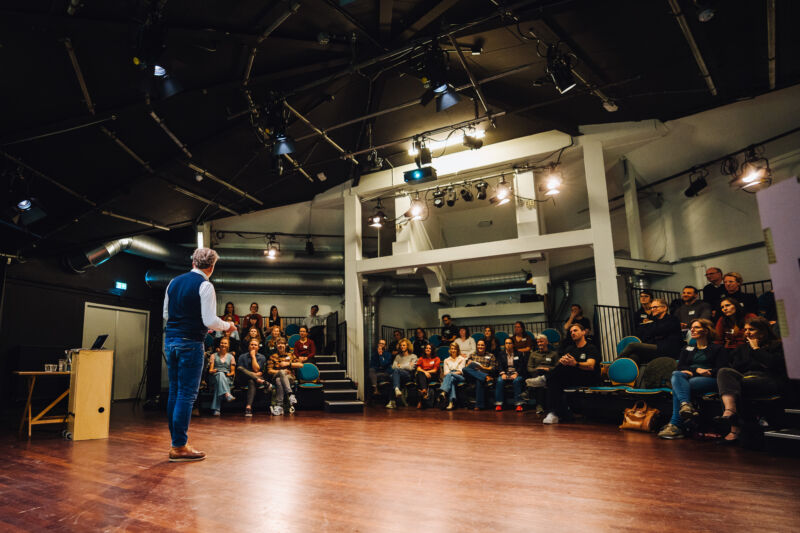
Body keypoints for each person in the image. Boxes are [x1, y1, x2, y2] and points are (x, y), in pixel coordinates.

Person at [162, 248, 236, 462]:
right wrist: (228, 326)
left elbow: (167, 314)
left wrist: (200, 324)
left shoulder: (173, 282)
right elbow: (210, 321)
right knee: (187, 394)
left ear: (193, 262)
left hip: (171, 342)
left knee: (175, 392)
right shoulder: (205, 285)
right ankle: (179, 446)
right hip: (190, 344)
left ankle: (177, 442)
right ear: (211, 267)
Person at [716, 316, 787, 444]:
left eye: (751, 329)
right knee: (724, 373)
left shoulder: (777, 345)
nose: (747, 332)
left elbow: (773, 364)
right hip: (746, 378)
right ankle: (729, 411)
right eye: (745, 329)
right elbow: (738, 367)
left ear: (763, 331)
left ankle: (734, 429)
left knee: (733, 387)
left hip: (768, 380)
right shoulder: (742, 348)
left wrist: (756, 349)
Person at [657, 319, 728, 439]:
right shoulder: (688, 348)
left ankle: (676, 423)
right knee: (677, 374)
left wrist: (708, 372)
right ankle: (685, 407)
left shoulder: (717, 349)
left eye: (696, 327)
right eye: (691, 328)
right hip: (690, 377)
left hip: (710, 379)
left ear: (705, 331)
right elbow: (681, 367)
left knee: (679, 386)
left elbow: (722, 369)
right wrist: (697, 371)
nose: (692, 330)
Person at [542, 323, 601, 424]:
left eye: (575, 330)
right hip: (573, 377)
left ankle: (544, 379)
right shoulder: (570, 349)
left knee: (555, 376)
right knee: (554, 382)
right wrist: (562, 361)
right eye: (571, 332)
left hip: (588, 377)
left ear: (583, 332)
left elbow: (591, 366)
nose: (572, 333)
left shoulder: (591, 348)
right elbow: (562, 364)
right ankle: (554, 414)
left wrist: (575, 363)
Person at [618, 298, 683, 364]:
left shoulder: (672, 319)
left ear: (664, 308)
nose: (652, 310)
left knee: (632, 345)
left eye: (655, 307)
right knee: (634, 356)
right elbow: (645, 335)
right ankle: (626, 372)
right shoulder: (654, 321)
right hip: (657, 347)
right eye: (651, 308)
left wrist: (650, 329)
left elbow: (659, 331)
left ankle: (613, 363)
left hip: (668, 349)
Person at [268, 337, 302, 415]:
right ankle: (290, 394)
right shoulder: (273, 356)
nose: (281, 345)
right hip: (276, 375)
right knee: (280, 374)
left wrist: (288, 364)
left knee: (279, 380)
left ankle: (279, 406)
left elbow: (300, 365)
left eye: (282, 344)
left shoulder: (291, 355)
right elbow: (269, 370)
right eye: (279, 344)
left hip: (289, 377)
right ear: (276, 345)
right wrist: (280, 372)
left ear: (286, 345)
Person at [526, 334, 559, 415]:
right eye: (538, 342)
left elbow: (558, 367)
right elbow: (529, 368)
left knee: (541, 378)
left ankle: (529, 392)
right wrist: (538, 369)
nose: (539, 343)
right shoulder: (533, 354)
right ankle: (541, 405)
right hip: (537, 374)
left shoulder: (554, 354)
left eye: (541, 341)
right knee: (539, 374)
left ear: (547, 342)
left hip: (550, 375)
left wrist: (548, 369)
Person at [236, 338, 269, 417]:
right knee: (240, 368)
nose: (253, 346)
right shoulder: (242, 356)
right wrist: (254, 375)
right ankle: (260, 380)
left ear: (258, 347)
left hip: (255, 381)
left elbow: (257, 369)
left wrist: (253, 356)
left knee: (251, 380)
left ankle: (248, 407)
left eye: (255, 345)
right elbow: (241, 370)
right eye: (251, 344)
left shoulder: (262, 357)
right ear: (248, 346)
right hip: (244, 379)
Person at [462, 339, 496, 410]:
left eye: (482, 345)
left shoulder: (490, 356)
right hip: (472, 376)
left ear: (485, 346)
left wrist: (483, 368)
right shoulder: (472, 355)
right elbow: (467, 367)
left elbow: (493, 368)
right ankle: (485, 377)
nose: (480, 346)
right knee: (465, 368)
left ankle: (478, 405)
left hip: (482, 374)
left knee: (479, 380)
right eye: (479, 345)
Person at [495, 337, 526, 411]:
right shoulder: (501, 354)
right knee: (499, 381)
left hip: (516, 374)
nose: (508, 345)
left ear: (513, 344)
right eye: (506, 343)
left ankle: (518, 404)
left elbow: (522, 366)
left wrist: (516, 373)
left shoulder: (519, 354)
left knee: (517, 381)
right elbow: (499, 366)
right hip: (505, 373)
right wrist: (502, 373)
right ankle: (499, 404)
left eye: (510, 343)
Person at [208, 337, 236, 416]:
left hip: (227, 377)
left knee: (219, 383)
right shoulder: (213, 355)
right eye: (222, 343)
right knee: (220, 374)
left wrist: (228, 374)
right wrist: (213, 370)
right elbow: (210, 370)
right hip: (215, 376)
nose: (223, 344)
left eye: (225, 343)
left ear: (228, 345)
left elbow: (232, 372)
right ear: (219, 344)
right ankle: (227, 394)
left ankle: (216, 409)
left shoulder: (231, 357)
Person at [387, 340, 417, 409]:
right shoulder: (398, 356)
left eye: (404, 345)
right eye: (401, 345)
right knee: (393, 376)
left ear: (407, 346)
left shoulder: (413, 356)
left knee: (395, 373)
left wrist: (400, 365)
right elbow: (393, 367)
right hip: (398, 376)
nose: (402, 347)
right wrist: (406, 365)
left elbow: (410, 368)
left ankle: (392, 401)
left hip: (408, 376)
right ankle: (396, 392)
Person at [438, 343, 466, 410]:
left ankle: (443, 392)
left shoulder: (462, 359)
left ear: (457, 350)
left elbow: (460, 371)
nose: (453, 350)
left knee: (450, 376)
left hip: (460, 377)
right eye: (452, 349)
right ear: (450, 350)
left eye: (455, 349)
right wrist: (451, 373)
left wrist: (451, 372)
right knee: (451, 380)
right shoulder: (446, 360)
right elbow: (445, 373)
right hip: (451, 377)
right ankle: (451, 402)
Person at [414, 344, 441, 408]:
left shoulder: (436, 358)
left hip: (433, 375)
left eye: (429, 348)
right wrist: (425, 372)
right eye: (426, 348)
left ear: (432, 350)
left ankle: (420, 400)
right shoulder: (421, 358)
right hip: (423, 375)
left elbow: (435, 370)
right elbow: (418, 368)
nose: (427, 349)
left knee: (420, 376)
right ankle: (424, 391)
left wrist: (426, 372)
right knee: (420, 374)